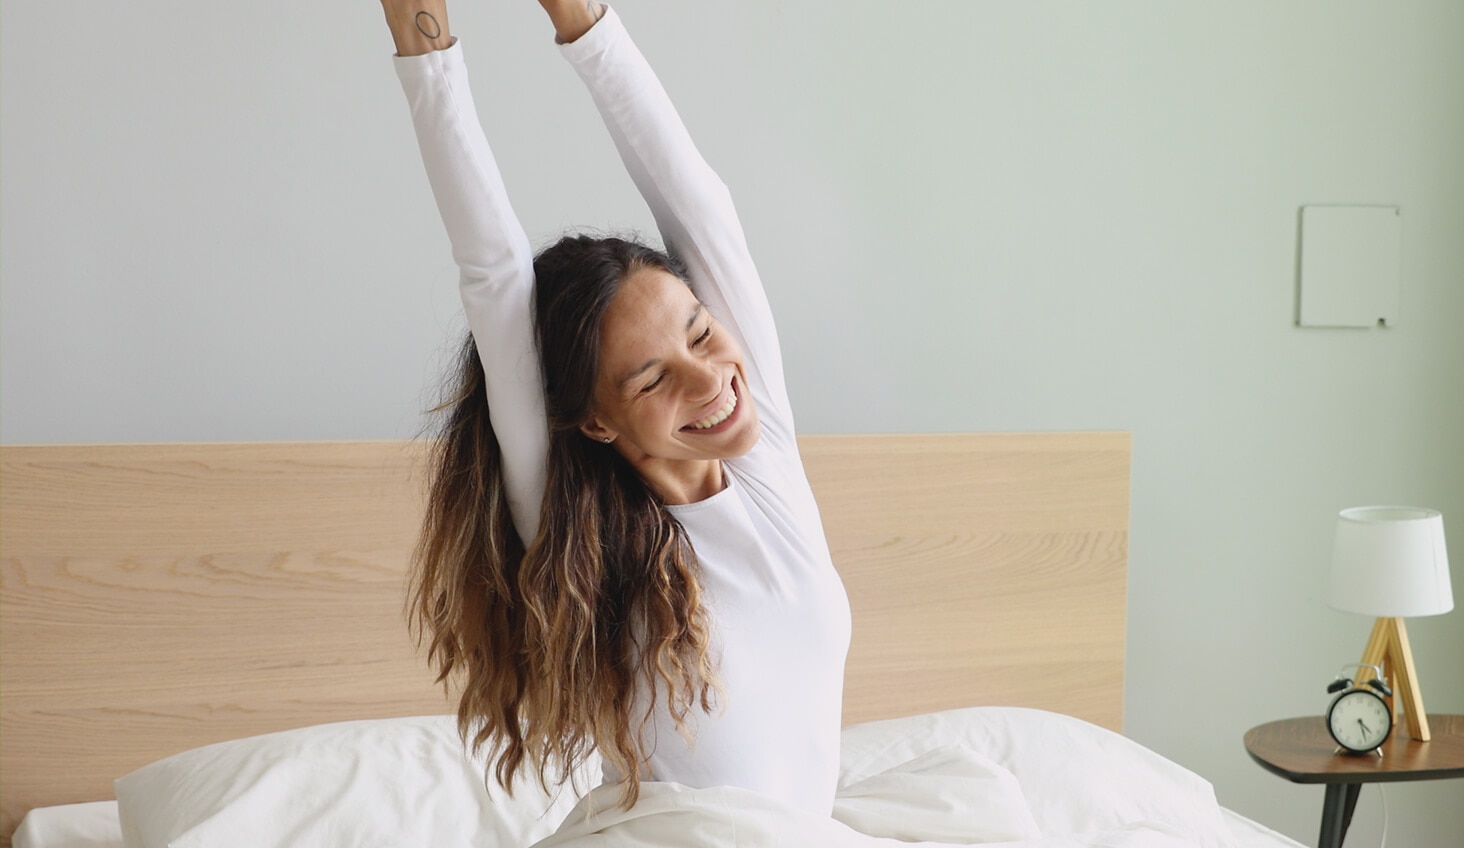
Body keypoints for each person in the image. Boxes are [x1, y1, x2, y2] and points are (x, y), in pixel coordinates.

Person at [380, 0, 851, 817]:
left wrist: (585, 21)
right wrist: (422, 34)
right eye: (651, 380)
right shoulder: (577, 528)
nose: (709, 381)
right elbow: (492, 274)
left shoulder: (764, 452)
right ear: (595, 420)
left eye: (702, 334)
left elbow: (702, 204)